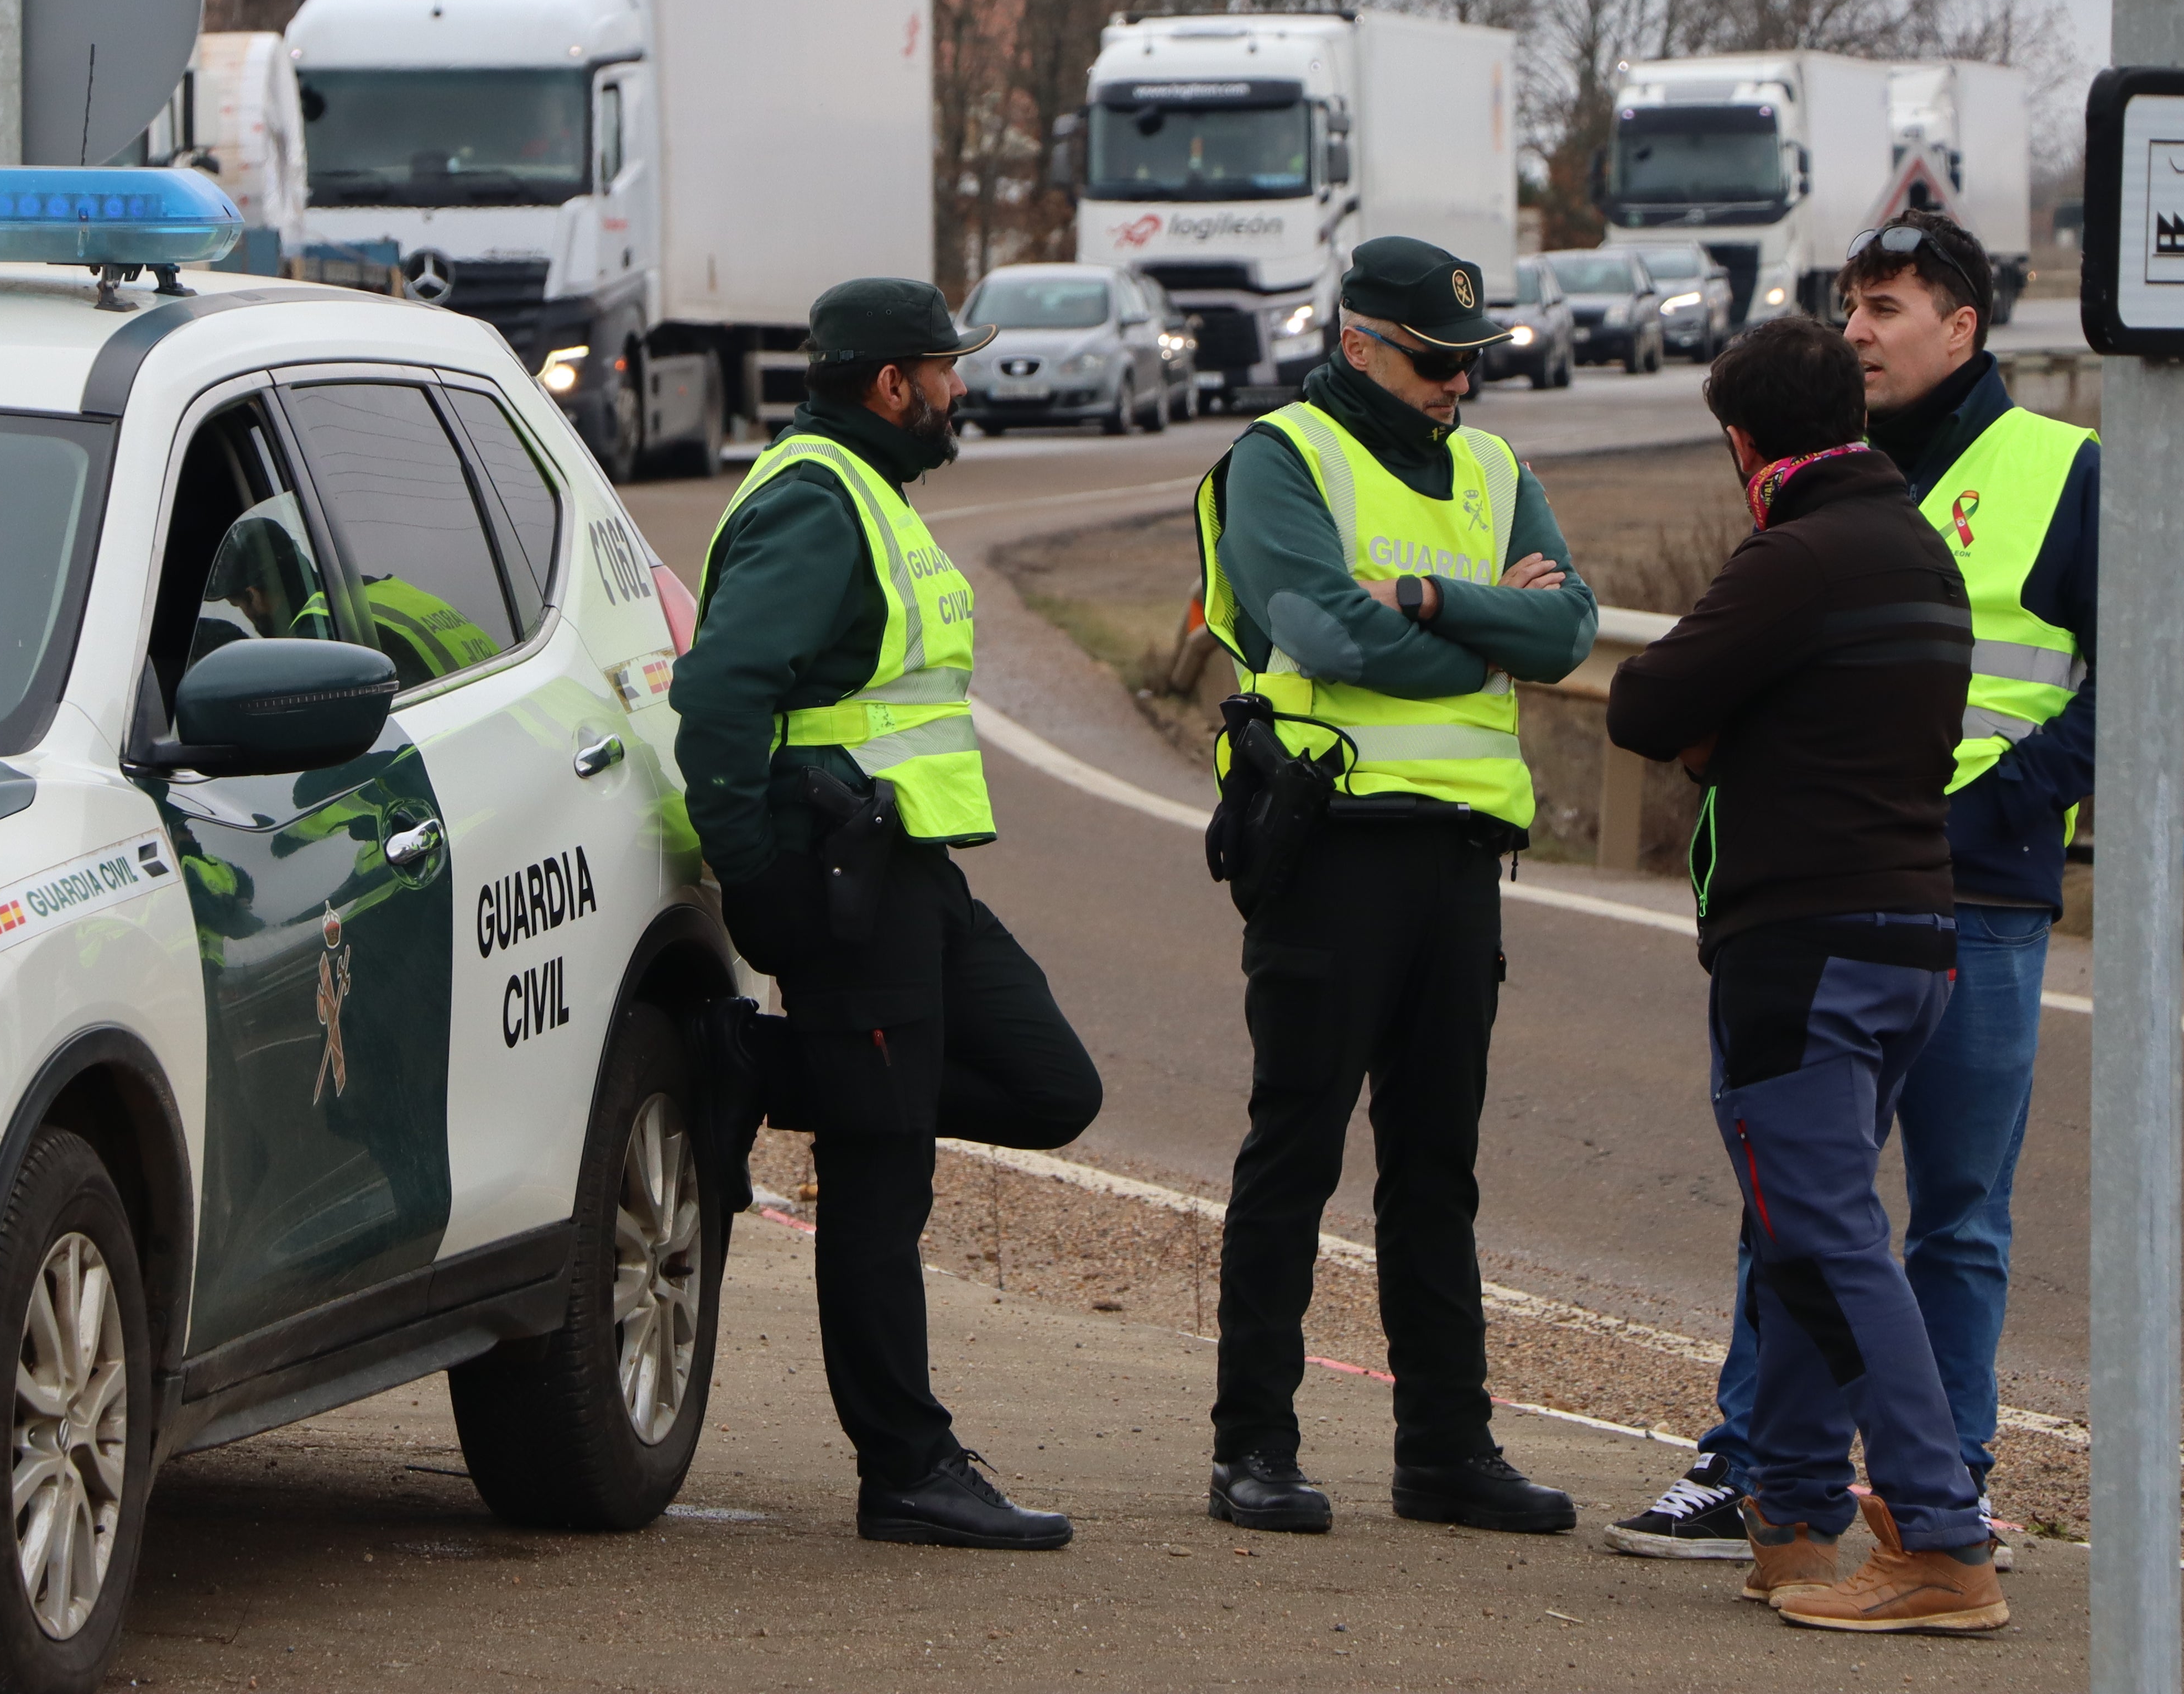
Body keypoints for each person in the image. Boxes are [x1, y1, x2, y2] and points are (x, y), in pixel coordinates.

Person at [1611, 212, 2094, 1566]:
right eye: (1849, 307)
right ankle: (1769, 1467)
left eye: (1886, 305)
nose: (1860, 330)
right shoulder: (1841, 473)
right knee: (1804, 1201)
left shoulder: (2057, 468)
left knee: (1948, 1213)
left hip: (1979, 888)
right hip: (1860, 887)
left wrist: (1991, 802)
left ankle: (1944, 1486)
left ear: (1965, 324)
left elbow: (2131, 677)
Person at [675, 276, 1104, 1550]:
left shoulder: (865, 489)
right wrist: (758, 881)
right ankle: (907, 1465)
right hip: (842, 878)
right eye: (944, 368)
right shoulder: (816, 499)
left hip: (906, 869)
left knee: (1048, 1084)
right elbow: (720, 697)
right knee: (881, 1176)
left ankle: (747, 1061)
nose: (959, 387)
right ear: (889, 385)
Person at [1189, 237, 1594, 1536]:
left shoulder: (1491, 466)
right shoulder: (1281, 458)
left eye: (1474, 362)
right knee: (1294, 1148)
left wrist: (1425, 597)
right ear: (1359, 341)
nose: (1459, 387)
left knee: (1438, 1165)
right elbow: (1319, 629)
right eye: (1435, 361)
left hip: (1460, 860)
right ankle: (1252, 1443)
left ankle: (1446, 1447)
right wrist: (1482, 637)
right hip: (1334, 846)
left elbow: (1570, 626)